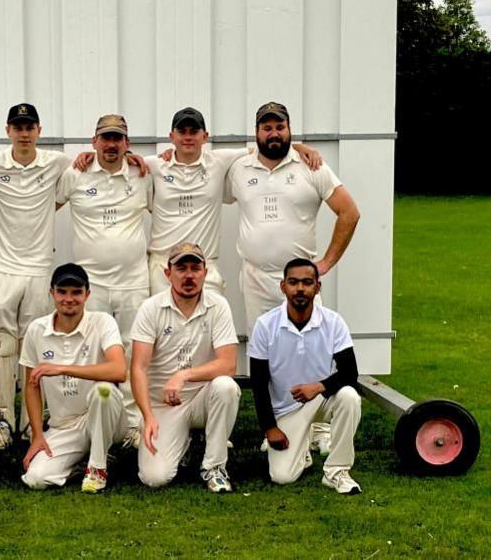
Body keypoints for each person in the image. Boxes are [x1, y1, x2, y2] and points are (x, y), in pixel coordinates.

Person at [225, 101, 360, 453]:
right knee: (266, 357)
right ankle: (274, 426)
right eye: (266, 127)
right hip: (256, 278)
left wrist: (327, 262)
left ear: (289, 129)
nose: (273, 133)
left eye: (279, 127)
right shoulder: (240, 167)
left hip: (301, 283)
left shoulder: (311, 166)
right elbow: (201, 164)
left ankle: (317, 429)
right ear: (256, 132)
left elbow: (349, 212)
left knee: (313, 353)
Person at [0, 103, 72, 450]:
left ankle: (32, 422)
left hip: (39, 267)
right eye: (18, 127)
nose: (24, 133)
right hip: (2, 268)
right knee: (0, 340)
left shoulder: (56, 163)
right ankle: (1, 422)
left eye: (30, 127)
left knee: (35, 342)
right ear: (8, 130)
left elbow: (89, 167)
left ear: (39, 131)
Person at [145, 107, 322, 295]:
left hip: (204, 264)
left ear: (205, 136)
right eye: (182, 132)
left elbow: (266, 148)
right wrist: (131, 157)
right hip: (163, 264)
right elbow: (124, 163)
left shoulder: (219, 161)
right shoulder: (153, 165)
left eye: (194, 131)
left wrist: (300, 148)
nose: (188, 137)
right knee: (163, 322)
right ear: (171, 136)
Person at [55, 114, 152, 447]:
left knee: (132, 351)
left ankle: (134, 425)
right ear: (94, 141)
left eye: (118, 138)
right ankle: (93, 424)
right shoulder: (75, 174)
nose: (111, 145)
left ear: (127, 144)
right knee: (93, 353)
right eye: (105, 138)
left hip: (133, 280)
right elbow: (42, 209)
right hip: (90, 284)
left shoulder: (142, 174)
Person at [129, 242, 241, 492]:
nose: (189, 275)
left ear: (206, 272)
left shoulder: (218, 305)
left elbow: (229, 364)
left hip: (203, 397)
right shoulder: (151, 308)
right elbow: (138, 367)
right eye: (181, 268)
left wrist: (183, 375)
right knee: (154, 478)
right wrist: (146, 416)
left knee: (226, 387)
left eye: (195, 268)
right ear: (168, 273)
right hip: (164, 406)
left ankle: (214, 467)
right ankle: (185, 444)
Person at [247, 258, 363, 494]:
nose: (300, 288)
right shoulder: (265, 325)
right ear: (283, 287)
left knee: (349, 396)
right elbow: (258, 383)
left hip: (321, 400)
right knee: (282, 477)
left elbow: (350, 374)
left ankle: (337, 472)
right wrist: (269, 428)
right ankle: (302, 453)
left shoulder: (333, 322)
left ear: (317, 288)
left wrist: (319, 386)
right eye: (294, 282)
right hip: (286, 410)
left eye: (307, 282)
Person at [20, 263, 127, 493]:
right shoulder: (36, 330)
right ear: (52, 293)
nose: (69, 299)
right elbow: (32, 387)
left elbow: (119, 370)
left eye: (77, 292)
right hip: (64, 425)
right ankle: (82, 464)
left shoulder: (102, 322)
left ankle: (98, 469)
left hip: (105, 416)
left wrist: (63, 369)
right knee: (36, 479)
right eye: (62, 291)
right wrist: (38, 435)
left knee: (103, 391)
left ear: (87, 294)